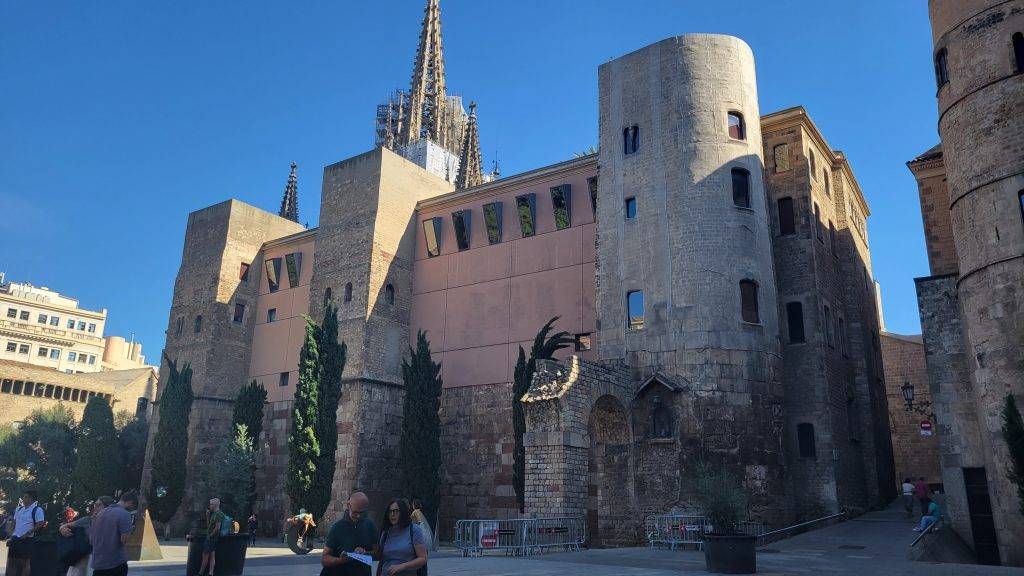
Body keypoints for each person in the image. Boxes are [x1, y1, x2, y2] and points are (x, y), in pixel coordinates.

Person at [321, 492, 377, 576]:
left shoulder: (370, 525)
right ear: (348, 506)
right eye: (355, 512)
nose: (358, 516)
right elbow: (324, 559)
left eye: (362, 513)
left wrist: (364, 553)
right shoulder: (337, 527)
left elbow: (378, 553)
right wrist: (341, 560)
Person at [61, 496, 114, 576]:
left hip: (103, 558)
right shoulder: (87, 520)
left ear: (107, 507)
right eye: (95, 505)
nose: (95, 507)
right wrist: (62, 529)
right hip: (85, 556)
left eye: (99, 505)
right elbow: (65, 526)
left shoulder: (113, 522)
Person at [89, 492, 137, 576]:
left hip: (98, 564)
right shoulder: (124, 514)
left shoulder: (99, 513)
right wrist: (131, 530)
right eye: (133, 506)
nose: (132, 508)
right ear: (130, 502)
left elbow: (91, 540)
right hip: (115, 563)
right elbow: (124, 539)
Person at [377, 498, 427, 576]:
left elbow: (423, 559)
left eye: (396, 511)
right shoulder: (386, 533)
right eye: (390, 511)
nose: (392, 514)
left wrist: (402, 566)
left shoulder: (414, 530)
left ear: (403, 512)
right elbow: (382, 561)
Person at [5, 490, 46, 576]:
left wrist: (27, 533)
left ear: (31, 498)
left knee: (25, 563)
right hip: (15, 538)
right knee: (11, 562)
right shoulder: (19, 509)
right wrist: (11, 531)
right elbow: (14, 521)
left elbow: (40, 523)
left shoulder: (37, 509)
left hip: (27, 539)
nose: (23, 499)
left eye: (25, 497)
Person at [198, 498, 226, 576]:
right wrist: (207, 516)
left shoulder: (219, 514)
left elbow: (218, 527)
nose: (209, 506)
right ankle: (211, 573)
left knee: (205, 555)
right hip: (211, 537)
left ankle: (201, 573)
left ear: (215, 505)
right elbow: (209, 526)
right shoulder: (214, 514)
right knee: (212, 555)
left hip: (212, 538)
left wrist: (210, 535)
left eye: (211, 504)